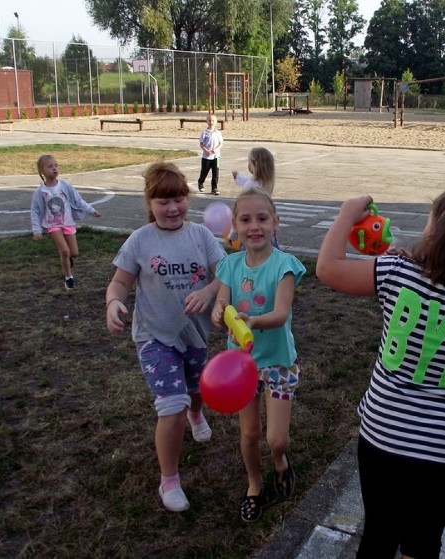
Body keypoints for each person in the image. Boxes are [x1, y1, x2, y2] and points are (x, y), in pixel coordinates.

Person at [316, 166, 445, 559]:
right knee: (424, 539)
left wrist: (346, 214)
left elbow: (327, 268)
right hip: (443, 447)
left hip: (382, 435)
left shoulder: (396, 272)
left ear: (435, 233)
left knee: (378, 532)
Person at [105, 161, 225, 513]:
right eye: (162, 201)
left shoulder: (202, 236)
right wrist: (113, 301)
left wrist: (210, 291)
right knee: (171, 405)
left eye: (179, 199)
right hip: (154, 336)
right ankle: (169, 480)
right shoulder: (140, 241)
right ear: (149, 203)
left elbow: (226, 275)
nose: (172, 208)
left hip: (195, 335)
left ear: (187, 198)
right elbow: (120, 282)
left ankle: (197, 415)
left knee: (194, 389)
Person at [211, 187, 306, 523]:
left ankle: (280, 460)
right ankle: (254, 484)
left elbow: (281, 313)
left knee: (276, 438)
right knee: (249, 434)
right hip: (241, 367)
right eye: (246, 219)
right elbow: (221, 304)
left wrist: (251, 320)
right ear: (234, 226)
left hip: (278, 362)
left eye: (262, 218)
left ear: (275, 223)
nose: (254, 226)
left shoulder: (285, 266)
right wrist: (220, 310)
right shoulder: (229, 266)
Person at [30, 154, 101, 289]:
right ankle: (68, 277)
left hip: (68, 223)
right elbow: (35, 210)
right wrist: (37, 230)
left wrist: (91, 210)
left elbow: (78, 200)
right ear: (41, 171)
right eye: (50, 166)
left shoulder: (65, 185)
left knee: (74, 253)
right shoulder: (41, 191)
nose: (54, 169)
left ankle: (66, 260)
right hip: (53, 225)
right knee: (65, 251)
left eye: (56, 165)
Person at [229, 147, 278, 248]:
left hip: (252, 234)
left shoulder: (251, 186)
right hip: (267, 231)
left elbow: (242, 211)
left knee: (251, 258)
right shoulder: (266, 181)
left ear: (254, 164)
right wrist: (238, 177)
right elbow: (248, 179)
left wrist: (233, 232)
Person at [197, 113, 222, 195]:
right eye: (210, 120)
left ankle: (214, 188)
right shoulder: (204, 132)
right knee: (204, 172)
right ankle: (201, 182)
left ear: (216, 122)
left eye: (213, 120)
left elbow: (221, 143)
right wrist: (206, 151)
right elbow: (201, 144)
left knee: (215, 173)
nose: (211, 122)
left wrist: (215, 150)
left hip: (216, 156)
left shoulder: (218, 132)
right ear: (207, 121)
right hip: (206, 157)